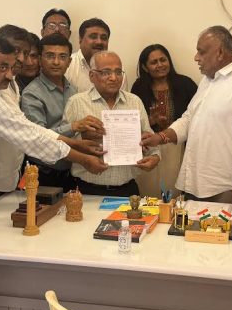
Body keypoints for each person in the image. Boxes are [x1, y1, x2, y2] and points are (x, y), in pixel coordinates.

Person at [0, 36, 106, 209]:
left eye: (11, 66)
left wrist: (76, 144)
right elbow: (32, 138)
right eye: (2, 67)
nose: (10, 74)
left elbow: (28, 126)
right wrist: (84, 160)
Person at [141, 26, 232, 205]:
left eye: (201, 52)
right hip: (195, 181)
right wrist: (160, 137)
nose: (196, 57)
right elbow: (189, 119)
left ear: (220, 53)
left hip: (226, 186)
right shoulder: (208, 80)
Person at [64, 51, 160, 196]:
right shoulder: (76, 102)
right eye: (106, 72)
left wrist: (155, 157)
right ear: (92, 76)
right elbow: (61, 145)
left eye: (118, 72)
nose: (114, 78)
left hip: (128, 190)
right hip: (87, 190)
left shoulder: (134, 101)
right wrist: (82, 138)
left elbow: (149, 138)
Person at [21, 34, 104, 191]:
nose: (56, 62)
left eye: (62, 57)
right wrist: (74, 126)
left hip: (71, 171)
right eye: (50, 56)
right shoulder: (31, 94)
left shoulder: (72, 89)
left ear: (69, 62)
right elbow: (38, 137)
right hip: (43, 173)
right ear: (40, 60)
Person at [130, 44, 197, 198]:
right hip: (149, 147)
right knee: (149, 191)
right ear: (145, 67)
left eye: (163, 60)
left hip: (177, 147)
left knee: (173, 191)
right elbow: (132, 122)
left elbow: (196, 115)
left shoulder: (185, 84)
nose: (160, 65)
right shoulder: (139, 87)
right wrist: (150, 121)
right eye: (154, 62)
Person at [0, 24, 32, 192]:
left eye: (26, 53)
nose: (22, 59)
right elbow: (24, 131)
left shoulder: (13, 83)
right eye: (16, 51)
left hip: (9, 178)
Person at [64, 18, 127, 93]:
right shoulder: (68, 65)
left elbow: (122, 98)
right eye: (93, 37)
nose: (99, 42)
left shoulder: (118, 69)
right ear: (80, 39)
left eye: (104, 38)